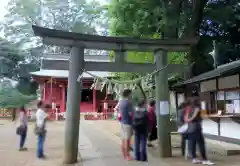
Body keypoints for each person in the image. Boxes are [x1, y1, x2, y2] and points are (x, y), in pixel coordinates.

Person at [185, 97, 215, 165]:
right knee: (201, 144)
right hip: (196, 128)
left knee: (193, 143)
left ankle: (194, 159)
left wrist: (189, 120)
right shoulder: (197, 108)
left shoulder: (188, 108)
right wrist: (195, 118)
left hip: (190, 128)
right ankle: (205, 160)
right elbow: (202, 116)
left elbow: (186, 119)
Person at [119, 89, 134, 160]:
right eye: (131, 94)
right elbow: (131, 114)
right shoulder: (129, 103)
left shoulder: (121, 102)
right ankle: (127, 155)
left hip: (122, 122)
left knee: (123, 139)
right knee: (127, 140)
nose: (132, 95)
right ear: (128, 94)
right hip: (128, 123)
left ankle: (124, 154)